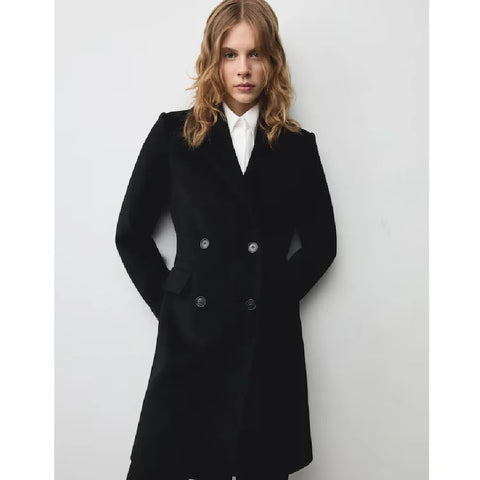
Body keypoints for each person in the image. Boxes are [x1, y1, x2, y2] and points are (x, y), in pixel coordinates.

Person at [114, 1, 337, 479]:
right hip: (190, 339)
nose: (243, 69)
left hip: (265, 344)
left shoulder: (297, 146)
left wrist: (270, 296)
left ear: (272, 60)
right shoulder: (174, 134)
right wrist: (174, 303)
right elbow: (130, 233)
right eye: (230, 54)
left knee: (257, 464)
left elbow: (322, 245)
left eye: (255, 54)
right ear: (212, 60)